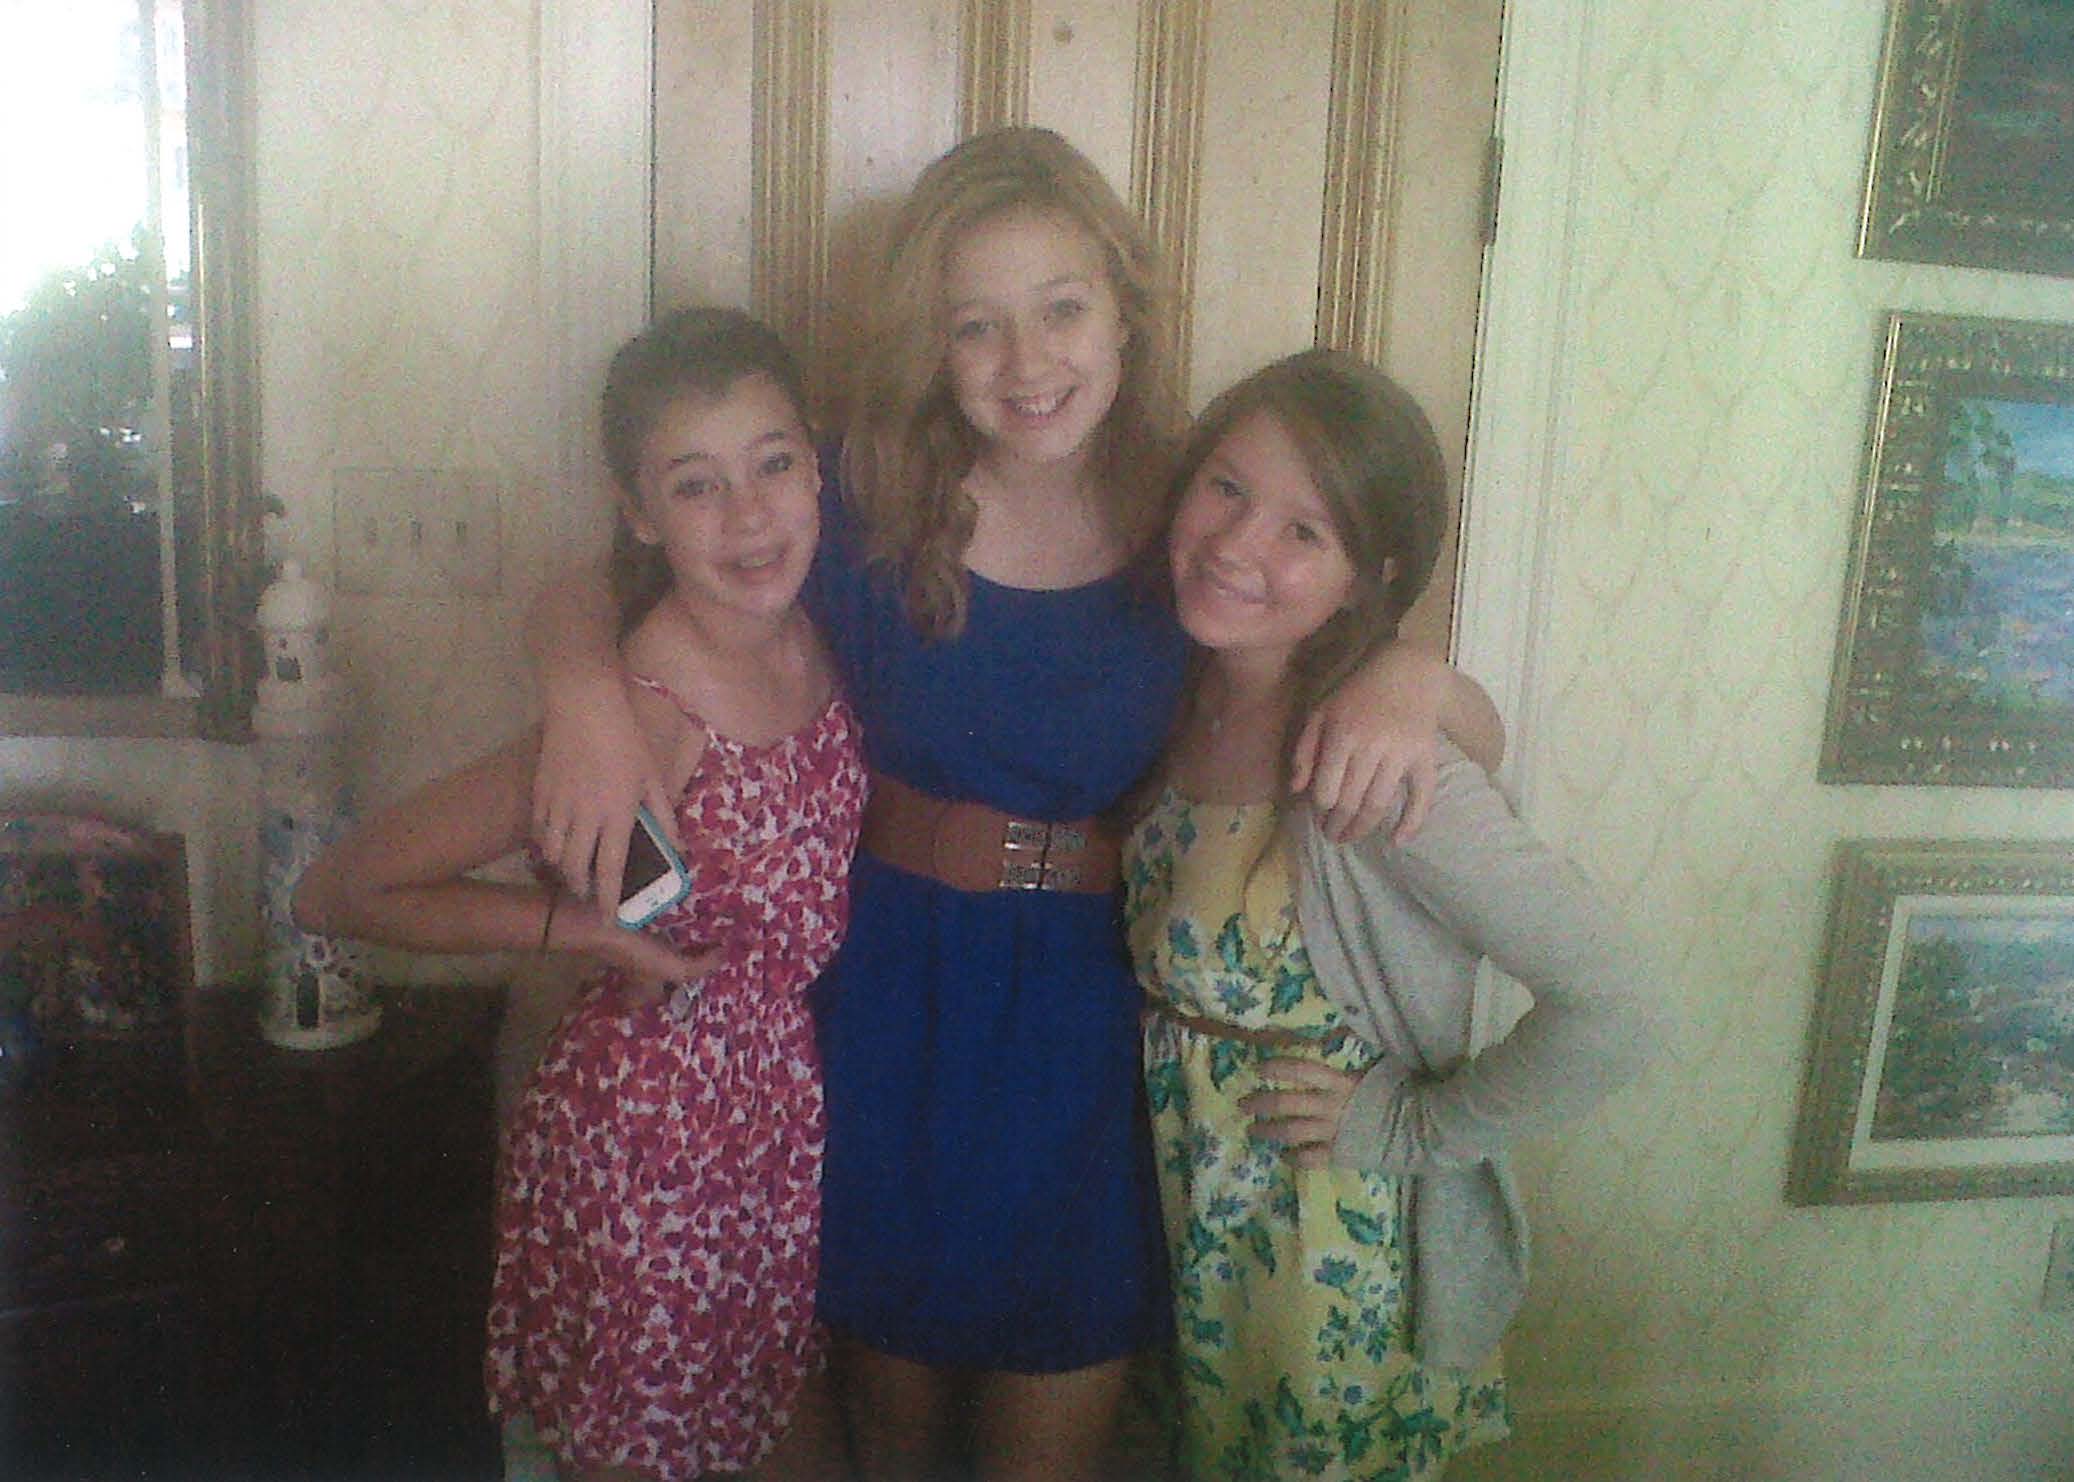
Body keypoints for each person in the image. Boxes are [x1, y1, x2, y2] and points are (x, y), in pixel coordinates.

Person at [524, 129, 1502, 1481]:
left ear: (1123, 310)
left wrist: (1415, 674)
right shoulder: (860, 483)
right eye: (975, 324)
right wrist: (580, 690)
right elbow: (610, 566)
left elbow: (1402, 693)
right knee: (894, 1419)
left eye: (1061, 310)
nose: (1026, 362)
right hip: (887, 998)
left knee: (1056, 1421)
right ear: (932, 340)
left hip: (1088, 1023)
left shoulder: (1199, 514)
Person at [294, 306, 868, 1482]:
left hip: (765, 1132)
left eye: (771, 464)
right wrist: (586, 932)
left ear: (816, 465)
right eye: (695, 486)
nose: (748, 513)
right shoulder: (644, 704)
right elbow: (342, 888)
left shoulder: (811, 626)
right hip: (642, 1150)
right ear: (639, 514)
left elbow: (574, 595)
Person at [1126, 348, 1660, 1480]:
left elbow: (1618, 1006)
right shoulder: (1175, 685)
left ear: (1365, 578)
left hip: (1327, 1261)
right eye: (1227, 487)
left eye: (1302, 531)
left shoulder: (1374, 769)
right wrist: (1434, 677)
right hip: (1187, 1235)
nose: (1236, 544)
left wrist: (1413, 1128)